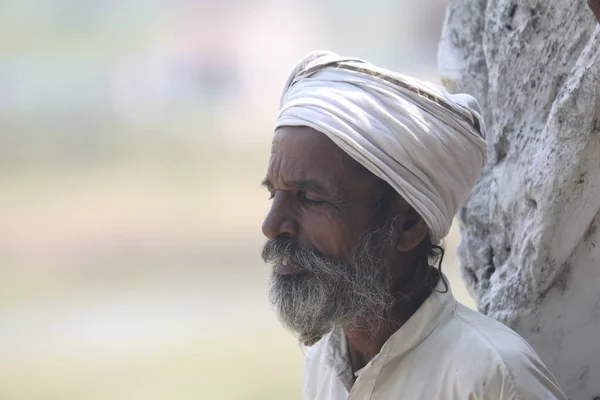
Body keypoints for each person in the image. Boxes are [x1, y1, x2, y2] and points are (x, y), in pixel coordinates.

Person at [260, 51, 567, 400]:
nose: (272, 226)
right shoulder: (324, 363)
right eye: (275, 194)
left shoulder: (493, 378)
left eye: (309, 197)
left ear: (406, 224)